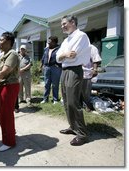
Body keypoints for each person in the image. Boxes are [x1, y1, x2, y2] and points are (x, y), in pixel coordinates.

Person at [56, 15, 91, 146]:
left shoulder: (81, 36)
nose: (62, 26)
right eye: (61, 24)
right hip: (64, 71)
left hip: (74, 70)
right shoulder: (66, 40)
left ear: (72, 22)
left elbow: (72, 55)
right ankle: (73, 127)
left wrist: (63, 56)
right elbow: (58, 58)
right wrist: (64, 55)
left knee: (73, 102)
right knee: (66, 101)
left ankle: (82, 134)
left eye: (64, 23)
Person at [40, 36, 62, 104]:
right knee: (47, 84)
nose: (48, 42)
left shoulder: (59, 49)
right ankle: (45, 99)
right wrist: (41, 66)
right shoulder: (46, 49)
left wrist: (59, 65)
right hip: (47, 68)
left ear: (54, 42)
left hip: (55, 68)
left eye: (50, 41)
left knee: (55, 84)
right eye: (48, 41)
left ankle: (55, 99)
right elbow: (43, 58)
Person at [81, 44, 102, 112]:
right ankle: (79, 104)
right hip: (77, 72)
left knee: (86, 91)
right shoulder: (78, 47)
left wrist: (95, 69)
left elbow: (95, 59)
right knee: (77, 90)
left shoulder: (92, 48)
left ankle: (87, 105)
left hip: (87, 73)